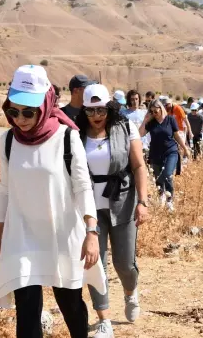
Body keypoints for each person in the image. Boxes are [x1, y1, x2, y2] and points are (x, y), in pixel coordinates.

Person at [0, 65, 100, 338]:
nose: (20, 119)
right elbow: (4, 191)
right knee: (26, 314)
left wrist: (92, 231)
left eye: (28, 111)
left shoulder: (67, 137)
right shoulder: (7, 142)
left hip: (62, 236)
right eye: (13, 111)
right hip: (22, 238)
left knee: (71, 307)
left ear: (46, 104)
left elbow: (83, 186)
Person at [75, 84, 150, 338]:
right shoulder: (75, 134)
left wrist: (143, 201)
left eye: (101, 110)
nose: (96, 116)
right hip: (90, 208)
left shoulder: (126, 127)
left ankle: (130, 292)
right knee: (95, 264)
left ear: (110, 108)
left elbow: (139, 166)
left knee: (124, 263)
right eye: (90, 111)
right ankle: (104, 318)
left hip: (123, 201)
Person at [139, 99, 190, 211]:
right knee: (158, 177)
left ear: (161, 109)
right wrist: (145, 120)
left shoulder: (170, 119)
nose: (154, 114)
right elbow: (140, 134)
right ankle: (161, 195)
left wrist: (185, 148)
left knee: (167, 174)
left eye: (155, 111)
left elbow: (176, 135)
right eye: (151, 112)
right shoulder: (151, 123)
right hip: (155, 153)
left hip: (171, 151)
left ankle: (169, 200)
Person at [124, 90, 149, 154]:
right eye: (132, 99)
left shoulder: (144, 113)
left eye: (136, 99)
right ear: (129, 100)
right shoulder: (123, 114)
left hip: (142, 145)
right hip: (129, 145)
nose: (135, 101)